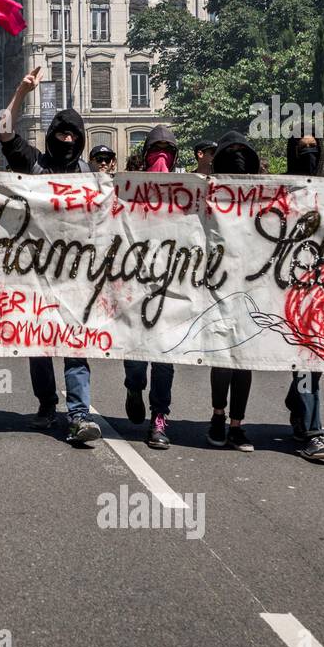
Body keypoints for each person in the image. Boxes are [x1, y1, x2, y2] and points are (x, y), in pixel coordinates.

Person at [0, 66, 101, 448]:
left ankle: (78, 413)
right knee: (39, 343)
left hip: (77, 276)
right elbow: (5, 130)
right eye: (61, 132)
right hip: (37, 274)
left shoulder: (93, 176)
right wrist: (22, 91)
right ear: (52, 135)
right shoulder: (34, 163)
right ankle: (46, 404)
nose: (67, 139)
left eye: (73, 134)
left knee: (75, 344)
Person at [281, 133, 324, 461]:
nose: (309, 153)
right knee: (306, 361)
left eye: (313, 148)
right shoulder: (281, 190)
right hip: (286, 292)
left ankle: (297, 402)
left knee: (312, 365)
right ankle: (314, 433)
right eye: (302, 150)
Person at [123, 126, 178, 449]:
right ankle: (133, 385)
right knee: (135, 353)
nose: (161, 156)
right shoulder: (130, 190)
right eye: (155, 148)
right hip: (135, 285)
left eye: (167, 149)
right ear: (145, 154)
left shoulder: (188, 190)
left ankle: (159, 417)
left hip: (172, 287)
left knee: (165, 358)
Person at [206, 131, 259, 452]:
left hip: (254, 285)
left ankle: (237, 425)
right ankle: (217, 416)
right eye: (232, 151)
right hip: (217, 286)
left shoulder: (262, 193)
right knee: (223, 356)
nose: (238, 156)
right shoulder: (207, 192)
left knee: (244, 359)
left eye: (243, 151)